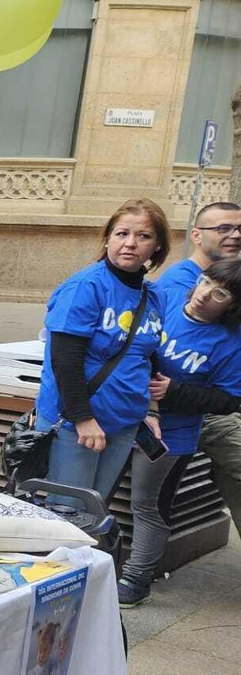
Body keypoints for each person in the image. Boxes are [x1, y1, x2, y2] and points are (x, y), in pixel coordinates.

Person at [30, 199, 171, 501]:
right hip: (76, 423)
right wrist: (83, 418)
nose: (130, 243)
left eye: (143, 236)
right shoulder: (85, 286)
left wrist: (150, 412)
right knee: (68, 512)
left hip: (125, 422)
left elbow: (146, 356)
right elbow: (64, 360)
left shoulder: (155, 295)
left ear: (157, 246)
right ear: (107, 238)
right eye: (122, 234)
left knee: (95, 510)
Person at [120, 258, 241, 606]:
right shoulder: (166, 300)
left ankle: (137, 579)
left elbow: (228, 400)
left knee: (147, 504)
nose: (204, 294)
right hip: (119, 419)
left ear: (233, 306)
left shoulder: (230, 344)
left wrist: (174, 391)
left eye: (220, 294)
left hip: (171, 436)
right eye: (205, 282)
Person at [156, 201, 241, 543]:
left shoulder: (232, 278)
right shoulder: (180, 283)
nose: (235, 235)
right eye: (223, 228)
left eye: (240, 229)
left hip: (216, 396)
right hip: (196, 411)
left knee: (231, 480)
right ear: (196, 235)